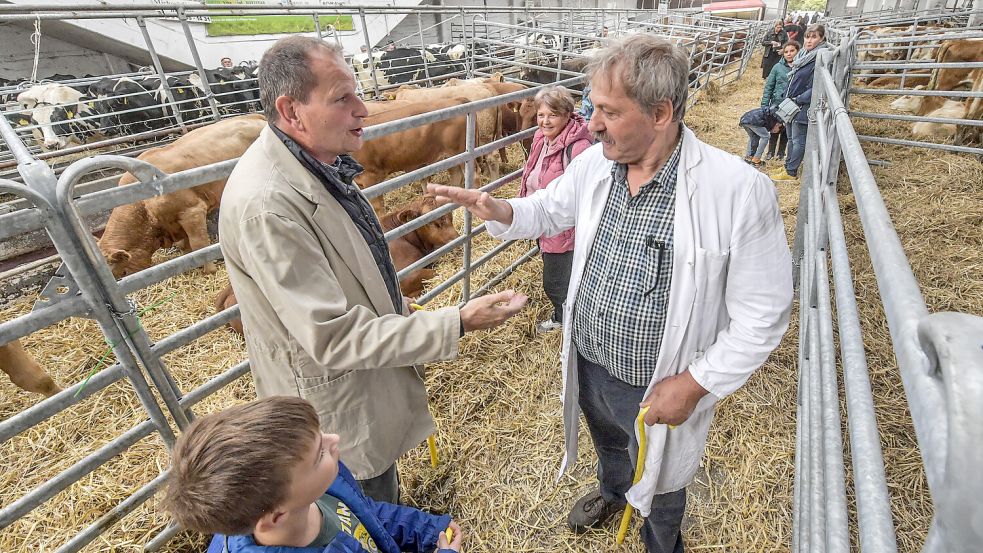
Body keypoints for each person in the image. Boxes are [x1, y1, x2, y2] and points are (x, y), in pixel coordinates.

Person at [429, 35, 793, 553]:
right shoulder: (597, 163)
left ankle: (661, 537)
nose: (592, 123)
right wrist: (501, 210)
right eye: (590, 107)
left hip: (655, 380)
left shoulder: (737, 191)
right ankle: (612, 492)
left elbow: (764, 313)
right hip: (588, 355)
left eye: (607, 111)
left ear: (661, 112)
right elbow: (551, 210)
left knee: (662, 474)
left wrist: (695, 381)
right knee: (608, 441)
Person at [219, 36, 527, 504]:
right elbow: (332, 336)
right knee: (366, 505)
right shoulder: (268, 207)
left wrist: (390, 301)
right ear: (292, 110)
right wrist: (457, 321)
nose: (363, 109)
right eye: (343, 98)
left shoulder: (318, 165)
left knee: (381, 488)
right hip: (331, 410)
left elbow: (342, 261)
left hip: (361, 381)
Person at [163, 396, 464, 553]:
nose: (334, 441)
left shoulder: (315, 491)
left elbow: (363, 514)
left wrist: (424, 529)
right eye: (320, 453)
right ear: (277, 517)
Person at [518, 86, 594, 333]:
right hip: (543, 221)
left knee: (556, 281)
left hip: (563, 228)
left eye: (552, 115)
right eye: (541, 115)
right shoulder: (541, 139)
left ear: (566, 114)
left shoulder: (578, 146)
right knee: (559, 272)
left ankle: (565, 321)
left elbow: (581, 193)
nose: (545, 121)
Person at [770, 24, 830, 181]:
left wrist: (798, 99)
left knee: (798, 140)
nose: (809, 40)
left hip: (802, 106)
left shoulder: (819, 58)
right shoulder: (804, 55)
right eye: (807, 37)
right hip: (792, 103)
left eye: (814, 37)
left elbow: (816, 87)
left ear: (822, 38)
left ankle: (791, 172)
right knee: (790, 138)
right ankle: (787, 166)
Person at [761, 40, 800, 161]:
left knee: (786, 129)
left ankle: (781, 153)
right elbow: (769, 86)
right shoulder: (777, 67)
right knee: (775, 127)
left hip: (793, 103)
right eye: (786, 52)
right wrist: (764, 104)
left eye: (792, 51)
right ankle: (770, 152)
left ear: (798, 51)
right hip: (777, 102)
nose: (789, 54)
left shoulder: (800, 67)